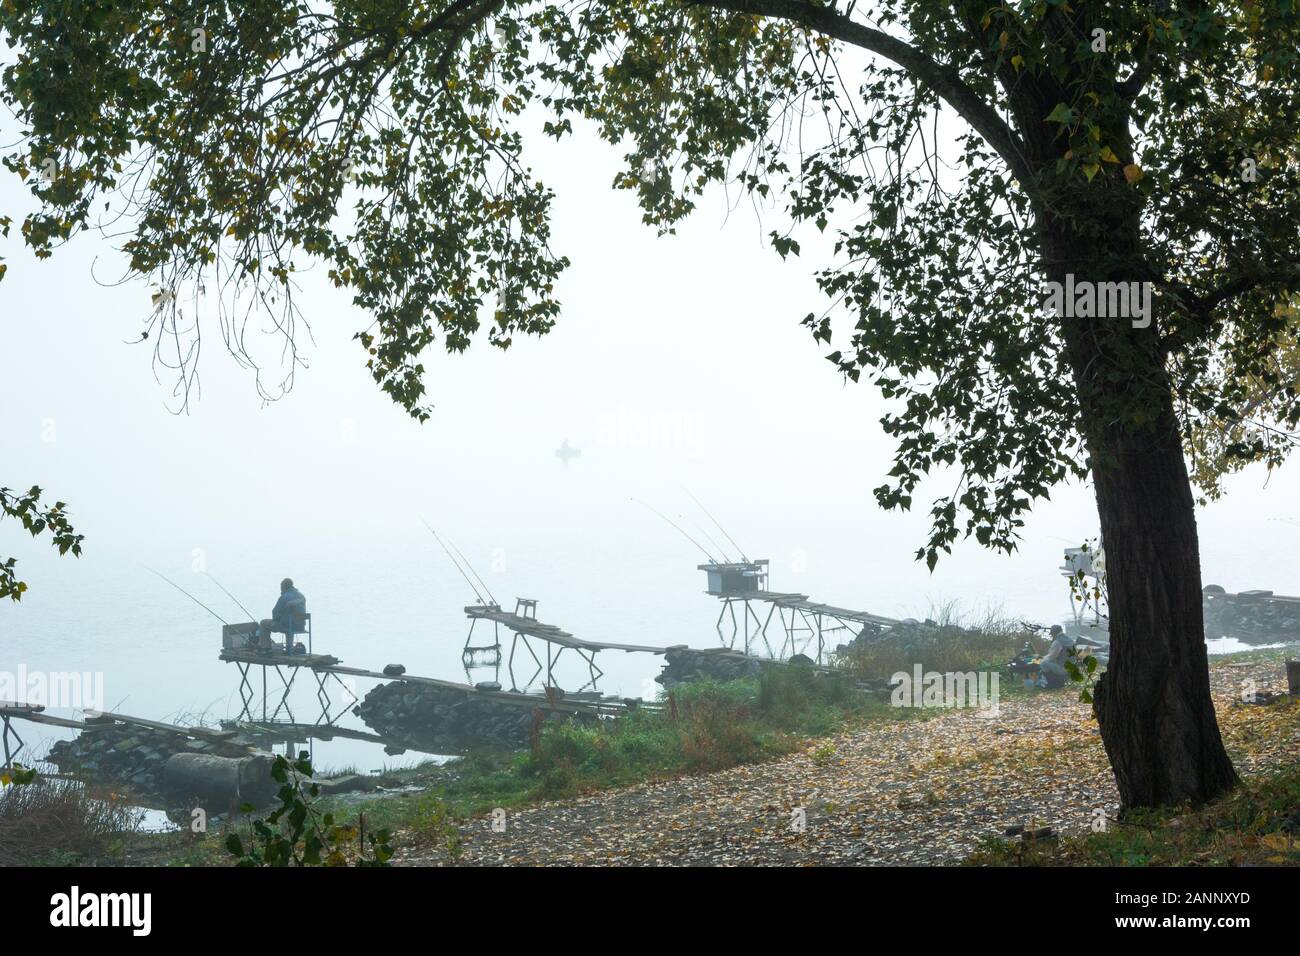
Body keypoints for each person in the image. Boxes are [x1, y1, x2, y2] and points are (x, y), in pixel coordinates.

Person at [270, 578, 307, 654]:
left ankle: (265, 648)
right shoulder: (301, 596)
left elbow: (275, 612)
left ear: (284, 587)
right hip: (300, 625)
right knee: (290, 623)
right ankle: (289, 648)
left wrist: (275, 620)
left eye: (281, 586)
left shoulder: (284, 597)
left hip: (287, 625)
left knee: (263, 623)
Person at [1039, 624, 1076, 689]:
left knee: (1043, 663)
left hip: (1063, 669)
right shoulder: (1070, 640)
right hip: (1073, 667)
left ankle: (1052, 684)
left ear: (1054, 633)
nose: (1051, 635)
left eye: (1052, 634)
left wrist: (1041, 658)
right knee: (1049, 662)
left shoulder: (1058, 642)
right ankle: (1058, 682)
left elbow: (1051, 657)